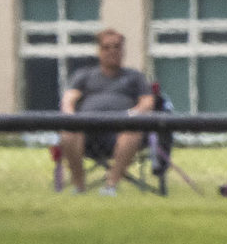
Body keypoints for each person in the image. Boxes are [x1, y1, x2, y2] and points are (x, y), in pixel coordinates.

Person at [59, 28, 155, 194]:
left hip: (120, 130)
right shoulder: (84, 75)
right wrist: (70, 115)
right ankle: (79, 185)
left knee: (133, 131)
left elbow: (147, 102)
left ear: (123, 50)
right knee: (68, 133)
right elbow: (69, 99)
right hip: (88, 131)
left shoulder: (135, 77)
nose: (112, 51)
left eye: (117, 47)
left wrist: (133, 114)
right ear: (99, 50)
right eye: (107, 47)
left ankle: (110, 185)